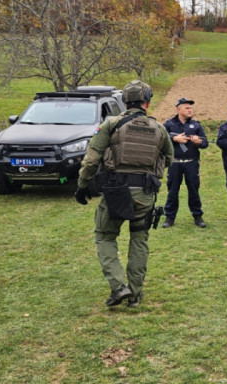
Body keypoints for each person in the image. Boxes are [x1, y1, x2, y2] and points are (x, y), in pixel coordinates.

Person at [74, 80, 173, 308]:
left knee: (105, 236)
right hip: (145, 193)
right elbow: (168, 158)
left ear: (125, 102)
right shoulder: (160, 129)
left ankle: (119, 287)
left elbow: (91, 159)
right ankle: (135, 295)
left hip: (115, 192)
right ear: (147, 102)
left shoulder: (111, 125)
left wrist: (82, 185)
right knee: (139, 239)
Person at [161, 98, 209, 229]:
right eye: (187, 108)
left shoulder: (196, 125)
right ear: (179, 109)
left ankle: (198, 217)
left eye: (190, 108)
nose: (190, 110)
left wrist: (199, 142)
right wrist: (174, 138)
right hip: (175, 163)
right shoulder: (169, 124)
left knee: (194, 191)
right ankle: (170, 218)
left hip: (191, 163)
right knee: (172, 191)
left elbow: (205, 143)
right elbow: (161, 138)